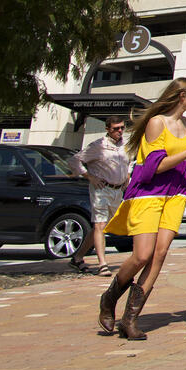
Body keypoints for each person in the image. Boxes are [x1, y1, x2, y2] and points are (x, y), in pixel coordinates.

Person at [98, 78, 186, 340]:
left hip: (175, 195)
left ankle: (130, 319)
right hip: (148, 196)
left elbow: (176, 164)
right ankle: (109, 297)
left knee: (159, 255)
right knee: (142, 256)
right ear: (182, 96)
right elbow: (154, 167)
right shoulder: (157, 123)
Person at [68, 116, 131, 276]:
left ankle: (78, 257)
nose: (119, 131)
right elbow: (75, 160)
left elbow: (128, 162)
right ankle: (102, 263)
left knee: (103, 226)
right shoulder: (99, 145)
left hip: (118, 190)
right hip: (101, 189)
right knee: (100, 225)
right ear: (108, 129)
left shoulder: (125, 145)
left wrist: (127, 177)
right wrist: (89, 176)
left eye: (122, 128)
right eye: (116, 128)